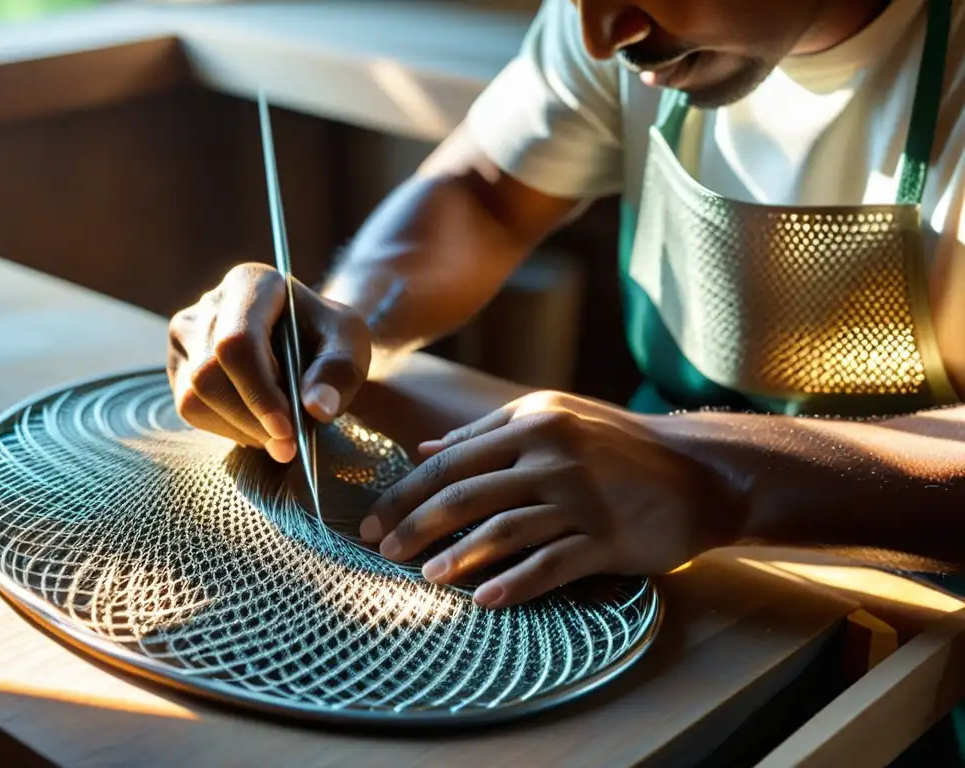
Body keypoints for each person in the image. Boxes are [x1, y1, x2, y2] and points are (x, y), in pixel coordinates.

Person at [167, 0, 965, 610]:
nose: (596, 35)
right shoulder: (620, 20)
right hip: (675, 555)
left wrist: (718, 475)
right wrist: (339, 320)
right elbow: (485, 194)